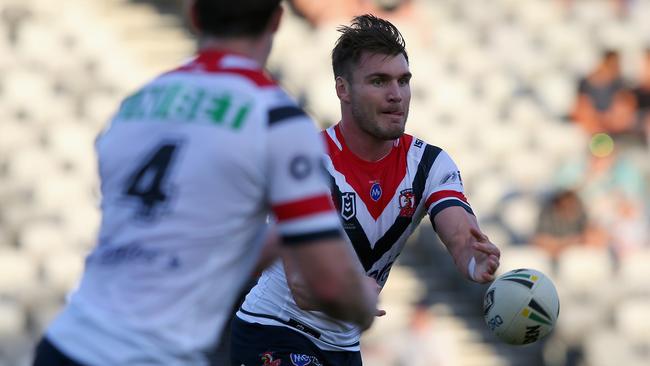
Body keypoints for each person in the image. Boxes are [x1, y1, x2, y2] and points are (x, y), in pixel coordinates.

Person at [32, 1, 379, 365]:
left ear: (194, 15)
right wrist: (363, 305)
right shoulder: (276, 118)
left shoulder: (134, 105)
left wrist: (272, 242)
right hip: (152, 355)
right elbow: (330, 284)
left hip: (65, 344)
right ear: (277, 20)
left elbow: (170, 237)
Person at [230, 14, 501, 366]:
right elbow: (302, 285)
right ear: (343, 89)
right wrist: (352, 288)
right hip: (274, 331)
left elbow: (459, 230)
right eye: (379, 81)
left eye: (404, 81)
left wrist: (472, 258)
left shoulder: (430, 164)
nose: (396, 95)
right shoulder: (306, 163)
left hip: (344, 348)